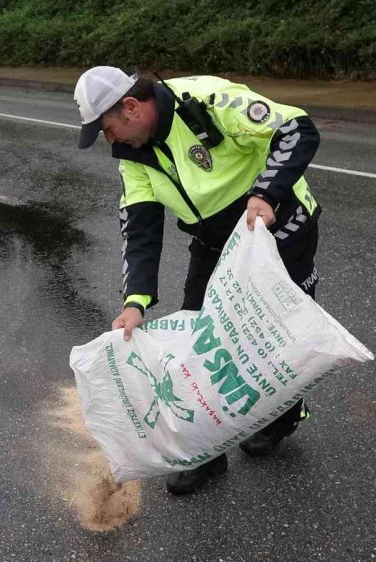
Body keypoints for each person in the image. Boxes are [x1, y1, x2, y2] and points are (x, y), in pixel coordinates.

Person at [74, 66, 323, 495]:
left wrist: (266, 193)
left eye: (108, 129)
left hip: (275, 225)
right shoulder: (133, 156)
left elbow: (296, 129)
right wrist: (135, 301)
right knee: (200, 341)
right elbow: (139, 227)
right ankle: (206, 453)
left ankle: (282, 419)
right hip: (212, 239)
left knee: (278, 337)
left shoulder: (206, 99)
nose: (109, 141)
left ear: (131, 107)